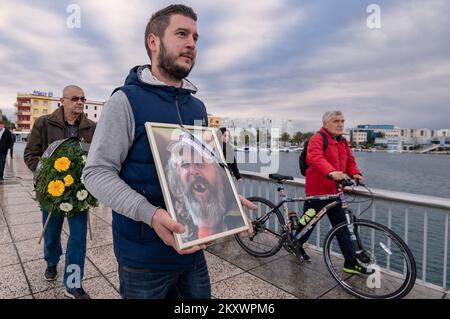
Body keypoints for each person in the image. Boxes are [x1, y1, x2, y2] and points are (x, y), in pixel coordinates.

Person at [82, 4, 255, 299]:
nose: (191, 43)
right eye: (181, 34)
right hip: (142, 260)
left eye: (196, 38)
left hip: (193, 254)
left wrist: (223, 195)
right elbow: (96, 173)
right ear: (153, 41)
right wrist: (150, 215)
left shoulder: (197, 106)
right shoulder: (124, 101)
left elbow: (199, 167)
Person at [24, 85, 96, 299]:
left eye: (83, 98)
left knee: (78, 238)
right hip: (51, 192)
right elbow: (31, 155)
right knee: (52, 233)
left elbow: (96, 158)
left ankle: (73, 283)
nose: (80, 102)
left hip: (80, 194)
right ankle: (52, 261)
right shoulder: (44, 123)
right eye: (75, 98)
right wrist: (48, 178)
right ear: (62, 101)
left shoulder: (91, 128)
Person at [297, 110, 372, 274]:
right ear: (325, 123)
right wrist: (331, 172)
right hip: (317, 193)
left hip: (336, 194)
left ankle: (351, 263)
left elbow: (350, 162)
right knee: (307, 225)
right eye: (336, 121)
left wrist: (355, 173)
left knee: (344, 228)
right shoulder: (317, 138)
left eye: (342, 121)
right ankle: (296, 245)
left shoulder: (343, 142)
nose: (340, 124)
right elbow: (315, 158)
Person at [165, 132, 245, 241]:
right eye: (185, 164)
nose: (193, 171)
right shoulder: (172, 218)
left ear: (219, 175)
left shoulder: (236, 220)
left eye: (200, 162)